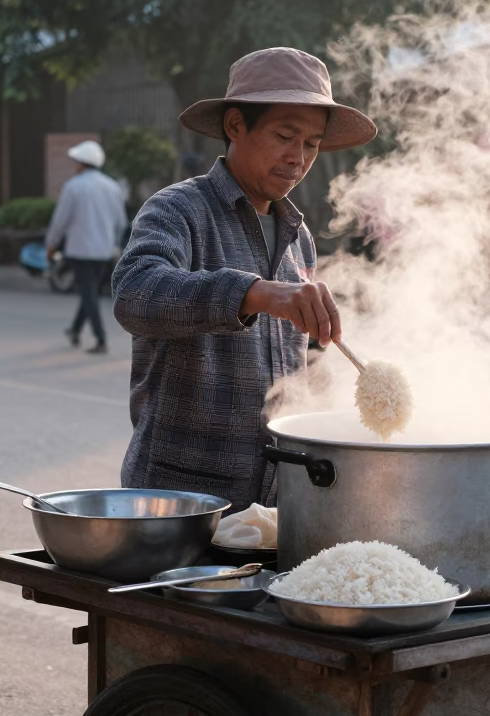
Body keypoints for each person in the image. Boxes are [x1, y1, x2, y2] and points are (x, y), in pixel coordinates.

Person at [112, 47, 377, 513]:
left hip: (278, 502)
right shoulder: (178, 209)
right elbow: (136, 295)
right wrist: (255, 293)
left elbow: (305, 366)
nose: (298, 158)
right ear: (236, 126)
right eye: (284, 136)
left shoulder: (299, 238)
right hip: (181, 501)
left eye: (311, 144)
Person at [45, 140, 128, 354]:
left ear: (82, 163)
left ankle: (100, 339)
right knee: (89, 291)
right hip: (104, 251)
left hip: (80, 250)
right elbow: (121, 222)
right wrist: (116, 245)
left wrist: (51, 245)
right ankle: (74, 330)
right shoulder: (113, 187)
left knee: (89, 292)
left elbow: (60, 221)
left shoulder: (73, 186)